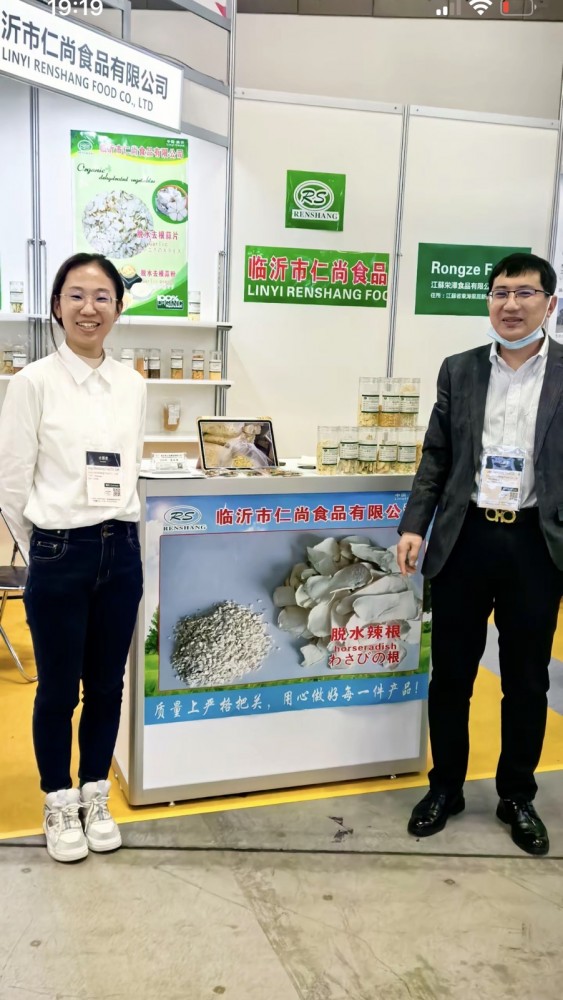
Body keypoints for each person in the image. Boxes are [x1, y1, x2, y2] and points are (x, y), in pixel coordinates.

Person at [397, 252, 563, 857]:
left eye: (524, 293)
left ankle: (516, 795)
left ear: (550, 303)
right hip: (464, 538)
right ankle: (445, 787)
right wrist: (414, 526)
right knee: (451, 676)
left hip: (535, 543)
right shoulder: (460, 369)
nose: (510, 304)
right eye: (500, 292)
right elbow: (437, 456)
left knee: (527, 681)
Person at [0, 253, 146, 863]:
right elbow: (12, 481)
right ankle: (58, 798)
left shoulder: (133, 383)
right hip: (60, 549)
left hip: (123, 548)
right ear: (57, 306)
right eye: (77, 295)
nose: (90, 308)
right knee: (58, 688)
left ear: (118, 306)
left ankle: (94, 794)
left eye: (102, 296)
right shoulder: (33, 382)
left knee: (108, 685)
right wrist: (45, 547)